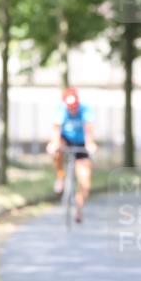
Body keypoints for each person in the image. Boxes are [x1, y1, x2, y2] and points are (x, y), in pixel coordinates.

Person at [46, 88, 97, 222]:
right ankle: (60, 176)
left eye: (74, 107)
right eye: (70, 107)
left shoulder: (85, 110)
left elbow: (89, 129)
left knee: (85, 182)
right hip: (66, 140)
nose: (72, 110)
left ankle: (78, 208)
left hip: (81, 144)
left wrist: (90, 143)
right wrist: (53, 143)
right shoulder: (61, 109)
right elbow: (56, 130)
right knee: (56, 150)